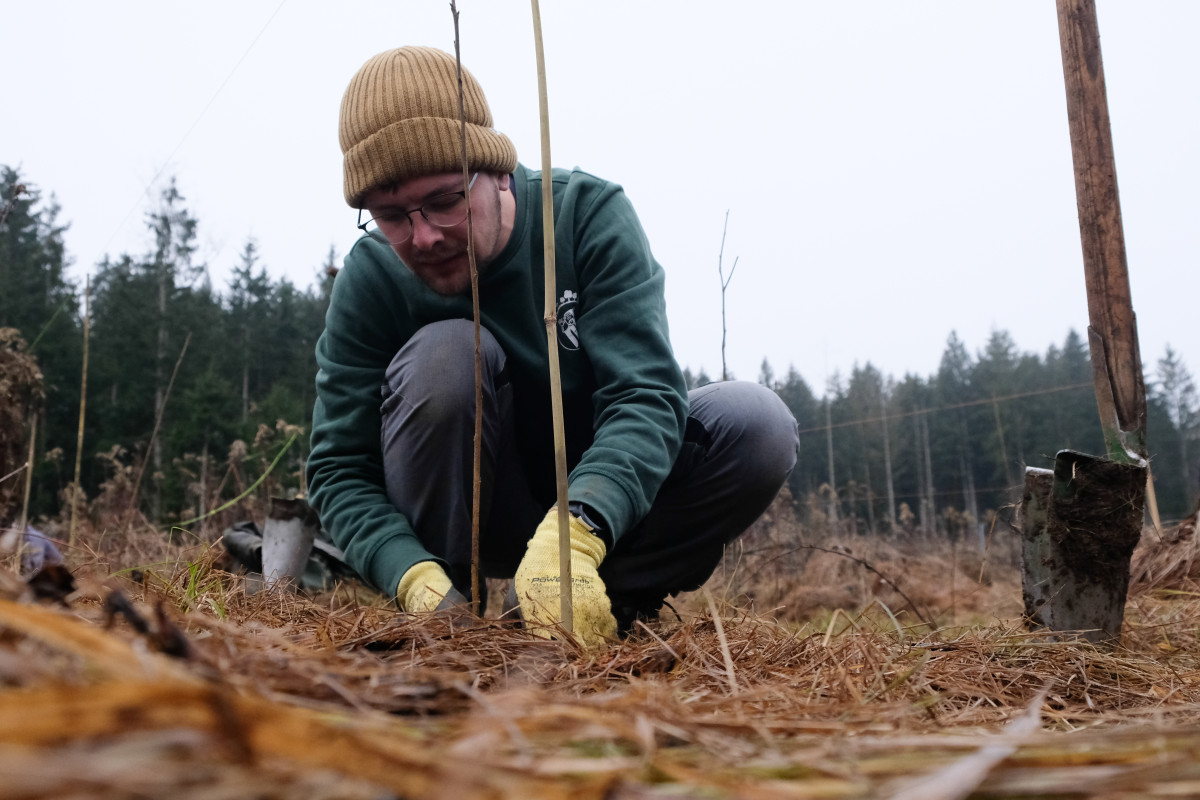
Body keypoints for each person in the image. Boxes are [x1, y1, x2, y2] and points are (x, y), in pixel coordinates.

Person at [307, 46, 798, 648]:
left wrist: (579, 530)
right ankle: (448, 623)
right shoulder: (372, 278)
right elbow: (337, 469)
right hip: (466, 519)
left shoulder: (584, 217)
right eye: (390, 216)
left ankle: (581, 602)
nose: (424, 235)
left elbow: (643, 395)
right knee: (446, 356)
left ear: (497, 170)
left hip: (601, 508)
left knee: (757, 425)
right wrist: (409, 576)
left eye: (444, 201)